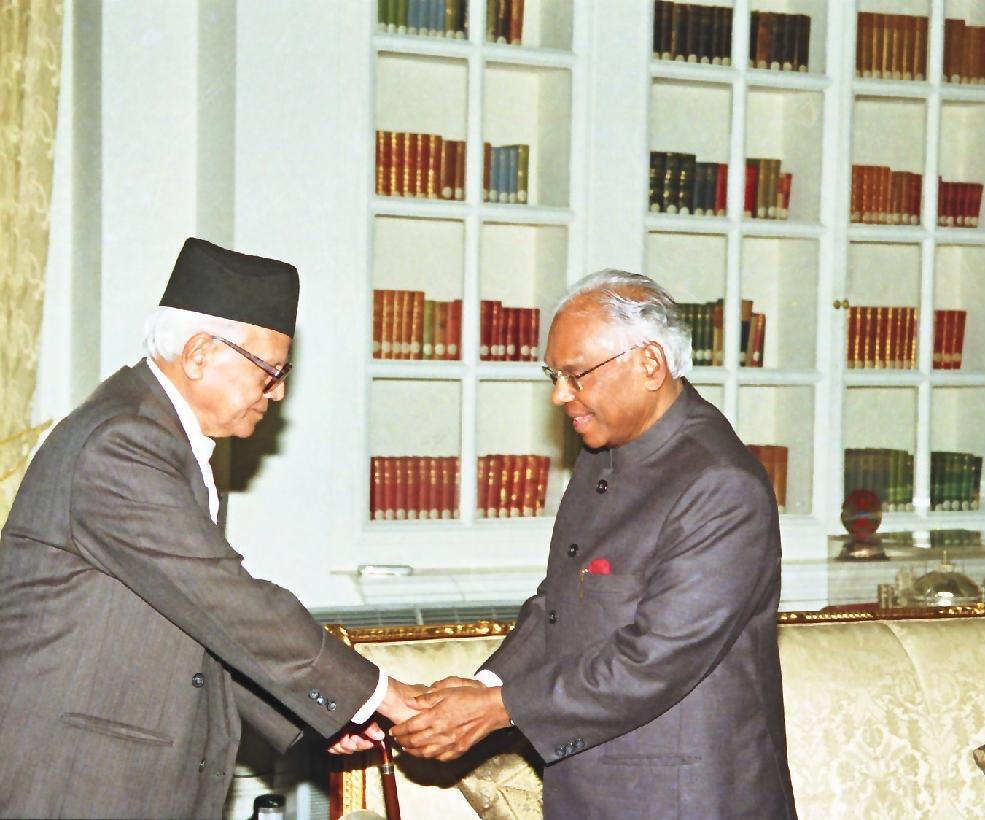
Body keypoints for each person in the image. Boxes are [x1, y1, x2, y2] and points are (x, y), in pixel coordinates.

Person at [0, 238, 419, 819]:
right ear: (199, 354)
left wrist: (315, 713)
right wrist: (378, 693)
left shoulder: (156, 432)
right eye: (270, 372)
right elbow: (227, 602)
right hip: (74, 778)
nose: (278, 393)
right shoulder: (122, 443)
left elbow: (190, 619)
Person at [392, 270, 796, 818]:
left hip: (684, 800)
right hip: (589, 788)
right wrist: (486, 682)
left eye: (576, 375)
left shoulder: (720, 485)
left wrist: (497, 707)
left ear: (649, 364)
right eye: (554, 375)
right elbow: (560, 603)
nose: (560, 396)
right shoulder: (602, 454)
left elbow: (654, 659)